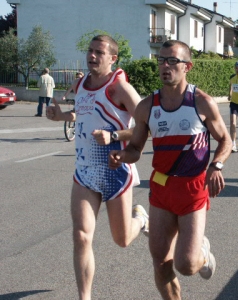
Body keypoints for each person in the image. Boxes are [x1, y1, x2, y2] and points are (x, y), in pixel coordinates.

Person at [109, 40, 232, 300]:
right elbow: (135, 149)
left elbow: (225, 140)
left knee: (186, 265)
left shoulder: (201, 102)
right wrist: (121, 155)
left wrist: (216, 165)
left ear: (187, 66)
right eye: (161, 60)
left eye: (172, 61)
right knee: (161, 262)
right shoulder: (147, 106)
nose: (165, 66)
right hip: (162, 189)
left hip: (192, 189)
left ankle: (203, 252)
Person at [46, 35, 149, 300]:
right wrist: (61, 116)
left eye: (99, 52)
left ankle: (141, 219)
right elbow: (82, 113)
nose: (92, 56)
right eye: (90, 51)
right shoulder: (81, 84)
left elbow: (146, 124)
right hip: (84, 172)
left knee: (122, 239)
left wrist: (114, 137)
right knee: (81, 236)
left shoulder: (120, 88)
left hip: (115, 170)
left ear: (112, 58)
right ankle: (85, 297)